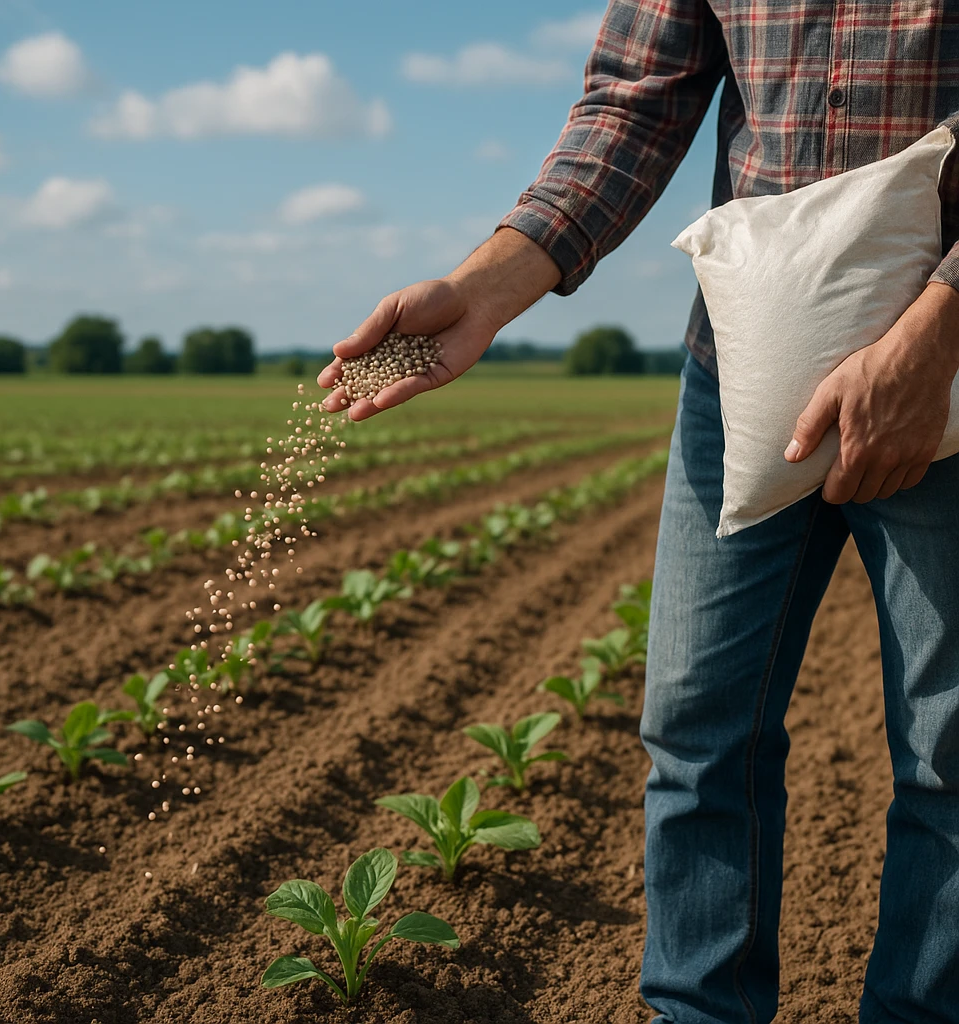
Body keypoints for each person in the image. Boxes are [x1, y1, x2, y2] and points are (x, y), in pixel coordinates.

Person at [318, 4, 959, 1022]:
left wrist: (940, 323)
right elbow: (632, 100)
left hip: (945, 373)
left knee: (948, 755)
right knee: (697, 725)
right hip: (744, 371)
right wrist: (485, 291)